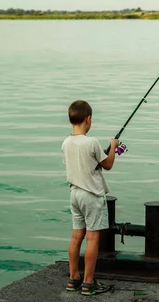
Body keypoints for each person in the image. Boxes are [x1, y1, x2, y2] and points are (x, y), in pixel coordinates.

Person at [61, 100, 119, 295]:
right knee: (92, 238)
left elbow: (82, 162)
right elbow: (108, 164)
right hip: (91, 196)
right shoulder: (92, 142)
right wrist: (113, 147)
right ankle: (88, 282)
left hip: (74, 194)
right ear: (88, 119)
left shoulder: (66, 143)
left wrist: (99, 155)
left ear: (71, 120)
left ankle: (73, 278)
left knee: (76, 236)